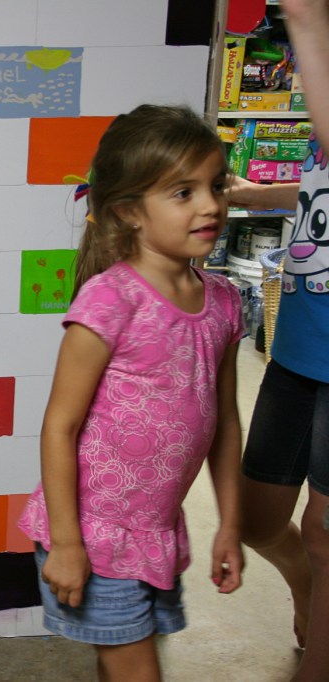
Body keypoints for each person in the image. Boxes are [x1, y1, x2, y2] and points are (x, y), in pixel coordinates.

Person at [18, 104, 245, 682]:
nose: (210, 205)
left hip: (155, 532)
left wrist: (230, 524)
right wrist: (67, 544)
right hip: (95, 532)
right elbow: (59, 427)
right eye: (183, 192)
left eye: (215, 185)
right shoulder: (109, 301)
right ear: (129, 213)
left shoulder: (221, 302)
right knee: (137, 670)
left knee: (128, 661)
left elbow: (223, 424)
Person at [226, 1, 329, 679]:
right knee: (259, 519)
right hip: (297, 346)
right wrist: (259, 196)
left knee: (325, 538)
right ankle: (307, 592)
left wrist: (307, 19)